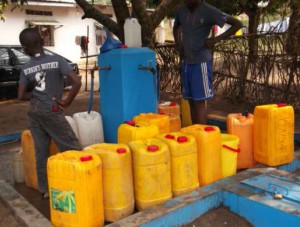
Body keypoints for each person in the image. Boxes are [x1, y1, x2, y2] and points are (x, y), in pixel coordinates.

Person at [18, 28, 82, 199]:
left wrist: (38, 94)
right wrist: (66, 102)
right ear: (42, 42)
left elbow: (21, 95)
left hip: (34, 111)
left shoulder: (26, 67)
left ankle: (45, 190)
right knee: (72, 146)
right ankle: (79, 184)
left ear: (25, 48)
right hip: (52, 109)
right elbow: (76, 81)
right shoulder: (57, 60)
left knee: (41, 151)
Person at [173, 0, 243, 124]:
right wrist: (178, 43)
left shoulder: (209, 11)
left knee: (199, 102)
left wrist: (216, 40)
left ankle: (201, 137)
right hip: (186, 63)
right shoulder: (181, 10)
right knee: (190, 100)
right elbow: (176, 27)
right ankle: (194, 133)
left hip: (201, 63)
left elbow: (237, 24)